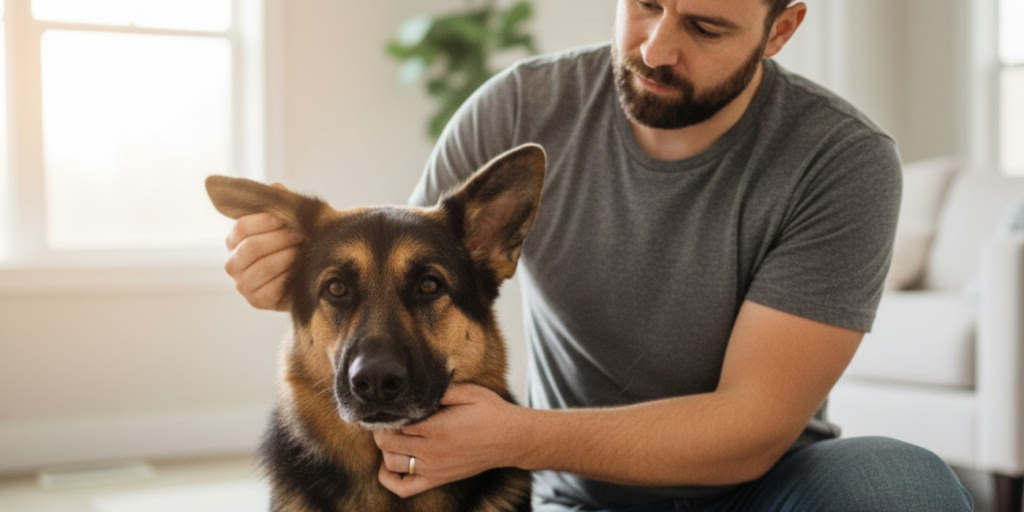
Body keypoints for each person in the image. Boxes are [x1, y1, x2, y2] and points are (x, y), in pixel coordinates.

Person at [223, 1, 974, 510]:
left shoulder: (841, 161)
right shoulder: (519, 107)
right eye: (645, 3)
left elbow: (751, 424)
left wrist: (516, 436)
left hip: (766, 488)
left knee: (900, 483)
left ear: (780, 29)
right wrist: (294, 264)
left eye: (706, 26)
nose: (657, 48)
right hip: (575, 497)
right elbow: (411, 260)